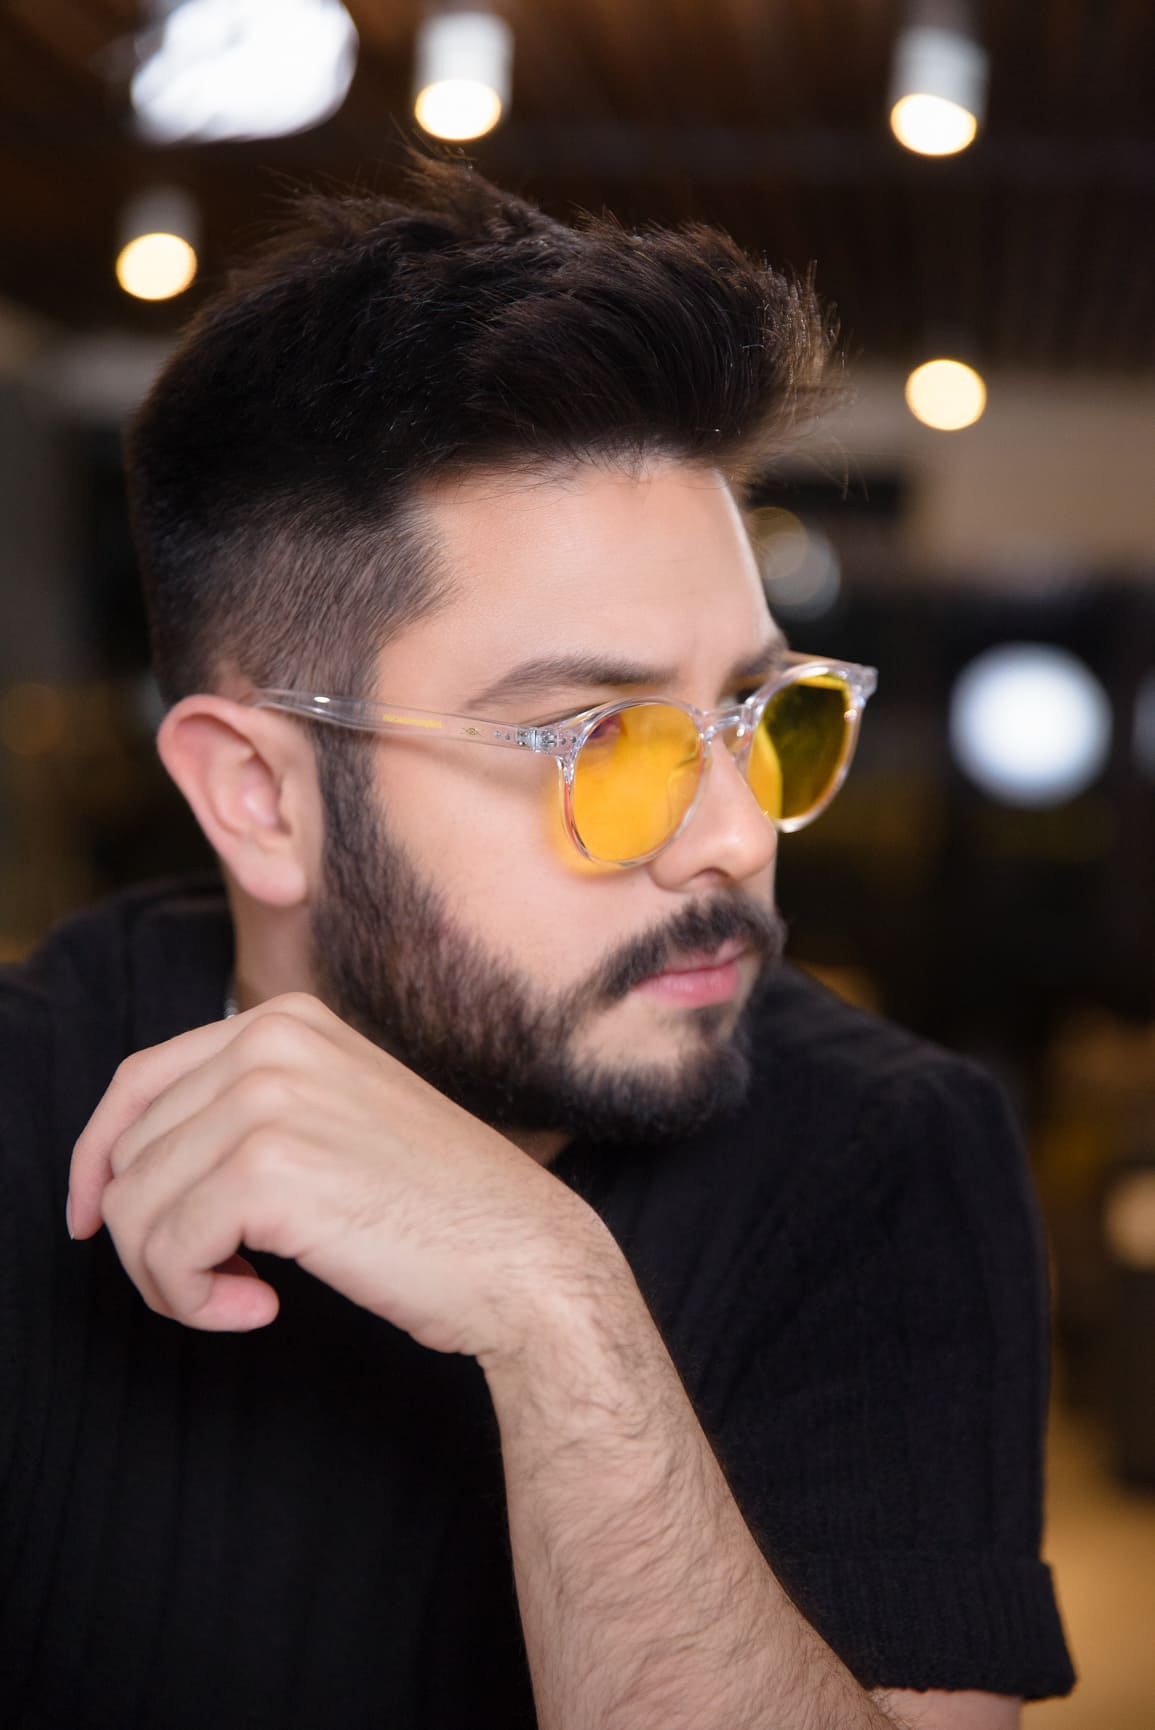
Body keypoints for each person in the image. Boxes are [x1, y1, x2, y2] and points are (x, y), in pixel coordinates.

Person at [0, 148, 1074, 1729]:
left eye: (757, 714)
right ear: (259, 797)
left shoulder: (888, 1149)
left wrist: (555, 1301)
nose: (736, 835)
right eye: (603, 742)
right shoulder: (26, 1101)